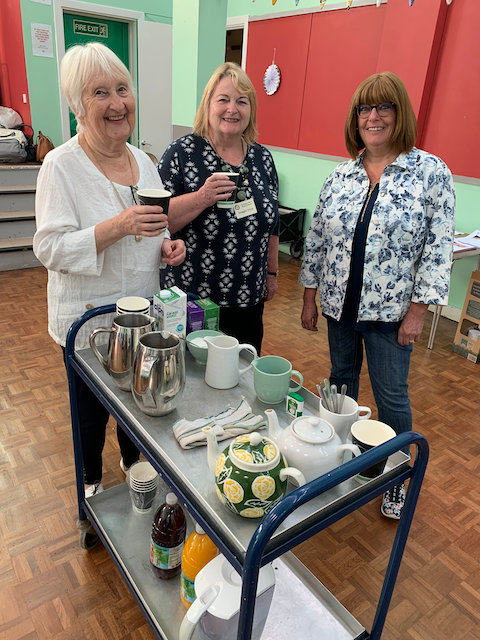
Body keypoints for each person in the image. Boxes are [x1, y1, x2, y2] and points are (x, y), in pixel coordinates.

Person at [299, 71, 455, 519]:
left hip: (391, 315)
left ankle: (396, 477)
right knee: (341, 384)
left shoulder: (430, 174)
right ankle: (342, 459)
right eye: (364, 109)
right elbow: (319, 239)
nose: (373, 116)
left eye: (383, 107)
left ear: (399, 113)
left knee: (391, 399)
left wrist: (419, 311)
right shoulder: (341, 175)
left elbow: (436, 250)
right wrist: (309, 296)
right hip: (339, 307)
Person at [33, 43, 186, 498]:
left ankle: (132, 462)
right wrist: (116, 226)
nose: (118, 103)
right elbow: (50, 248)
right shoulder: (60, 166)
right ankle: (92, 484)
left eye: (123, 89)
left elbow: (153, 232)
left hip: (139, 315)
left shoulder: (144, 162)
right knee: (89, 414)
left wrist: (166, 248)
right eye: (101, 92)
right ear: (77, 107)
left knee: (138, 400)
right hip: (86, 324)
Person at [157, 62, 280, 354]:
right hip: (194, 300)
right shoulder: (182, 153)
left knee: (242, 375)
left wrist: (272, 274)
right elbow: (158, 220)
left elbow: (272, 223)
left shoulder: (262, 158)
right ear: (208, 105)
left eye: (242, 101)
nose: (232, 109)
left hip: (249, 298)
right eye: (223, 99)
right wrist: (202, 197)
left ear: (251, 110)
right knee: (194, 380)